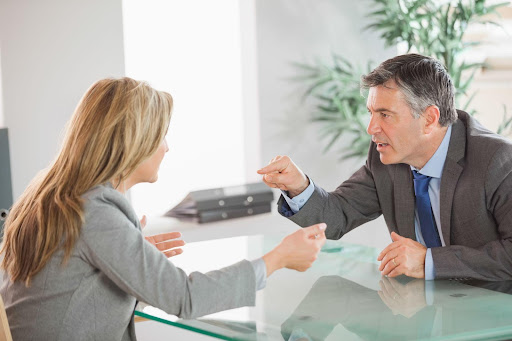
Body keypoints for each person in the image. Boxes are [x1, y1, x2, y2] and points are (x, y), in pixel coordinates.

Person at [0, 77, 326, 340]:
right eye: (160, 136)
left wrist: (129, 259)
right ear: (132, 141)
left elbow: (66, 288)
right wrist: (276, 259)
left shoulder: (52, 194)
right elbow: (185, 297)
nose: (167, 147)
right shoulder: (95, 211)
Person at [258, 53, 512, 281]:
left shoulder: (498, 160)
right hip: (422, 311)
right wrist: (298, 186)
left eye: (385, 115)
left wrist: (430, 261)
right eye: (371, 113)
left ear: (429, 119)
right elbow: (338, 216)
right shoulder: (387, 157)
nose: (371, 129)